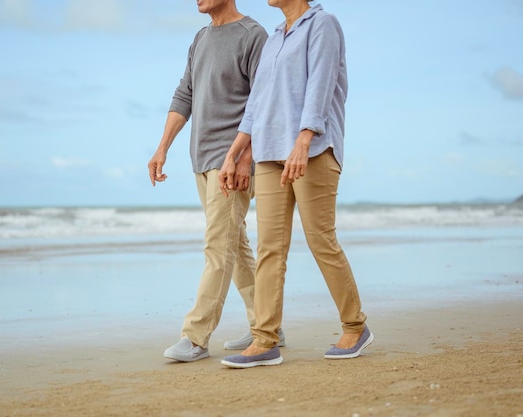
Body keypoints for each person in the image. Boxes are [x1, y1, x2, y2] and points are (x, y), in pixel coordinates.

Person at [218, 0, 373, 368]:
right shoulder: (274, 38)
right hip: (269, 154)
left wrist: (304, 139)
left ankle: (356, 325)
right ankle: (265, 340)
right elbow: (256, 103)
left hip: (314, 149)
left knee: (320, 238)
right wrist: (236, 151)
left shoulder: (323, 25)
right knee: (270, 247)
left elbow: (321, 85)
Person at [148, 0, 285, 362]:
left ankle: (195, 337)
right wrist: (162, 147)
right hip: (202, 159)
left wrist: (245, 156)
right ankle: (267, 322)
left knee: (217, 246)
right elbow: (185, 95)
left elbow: (264, 101)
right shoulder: (200, 38)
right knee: (234, 245)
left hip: (233, 161)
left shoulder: (252, 35)